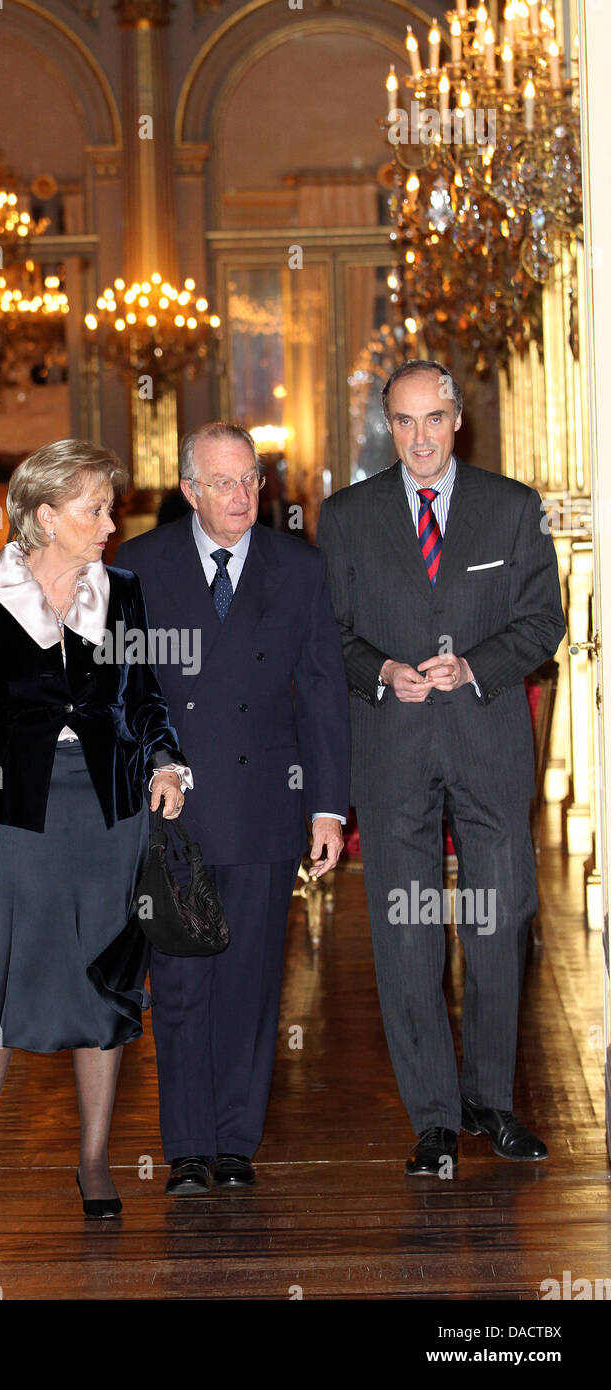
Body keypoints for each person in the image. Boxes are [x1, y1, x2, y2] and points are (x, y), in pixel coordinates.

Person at [316, 359, 566, 1176]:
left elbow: (541, 624)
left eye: (433, 419)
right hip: (392, 750)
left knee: (499, 928)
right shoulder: (347, 517)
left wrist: (476, 666)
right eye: (404, 421)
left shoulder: (511, 507)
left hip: (487, 743)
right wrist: (385, 671)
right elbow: (332, 637)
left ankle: (493, 1103)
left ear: (458, 420)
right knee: (405, 932)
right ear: (390, 425)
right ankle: (432, 1116)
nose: (419, 438)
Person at [0, 439, 190, 1220]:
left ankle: (93, 1157)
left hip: (108, 805)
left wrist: (165, 764)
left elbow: (145, 694)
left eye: (108, 507)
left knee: (105, 976)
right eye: (95, 509)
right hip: (7, 808)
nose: (110, 523)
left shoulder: (122, 590)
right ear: (45, 516)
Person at [115, 422, 350, 1195]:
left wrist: (326, 807)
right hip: (174, 808)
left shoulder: (300, 566)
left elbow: (321, 692)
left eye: (250, 478)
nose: (242, 494)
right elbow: (124, 691)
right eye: (223, 482)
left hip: (264, 805)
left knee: (250, 981)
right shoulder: (141, 566)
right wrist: (154, 766)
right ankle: (185, 1145)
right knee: (180, 983)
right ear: (189, 491)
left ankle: (234, 1141)